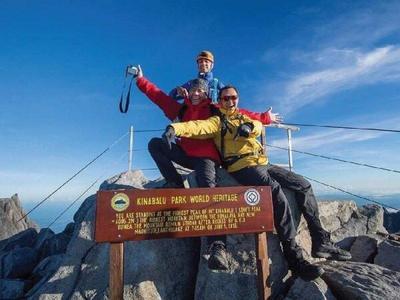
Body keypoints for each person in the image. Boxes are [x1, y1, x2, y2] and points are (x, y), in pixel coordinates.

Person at [166, 85, 352, 280]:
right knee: (276, 193)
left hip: (263, 162)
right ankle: (294, 258)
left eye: (234, 97)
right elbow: (197, 126)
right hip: (242, 165)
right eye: (226, 98)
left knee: (303, 185)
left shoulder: (242, 116)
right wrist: (174, 128)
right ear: (220, 101)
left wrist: (250, 126)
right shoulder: (217, 120)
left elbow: (258, 124)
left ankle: (320, 242)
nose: (230, 101)